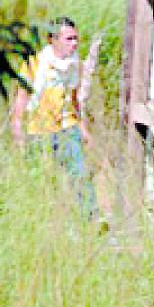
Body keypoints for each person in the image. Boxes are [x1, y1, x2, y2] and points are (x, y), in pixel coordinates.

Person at [10, 17, 98, 216]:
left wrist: (83, 129)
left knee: (80, 176)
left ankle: (91, 221)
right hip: (40, 132)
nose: (74, 44)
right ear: (53, 40)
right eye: (69, 39)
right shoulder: (35, 64)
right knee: (44, 183)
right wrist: (17, 131)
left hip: (68, 128)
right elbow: (21, 100)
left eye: (76, 38)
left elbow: (74, 101)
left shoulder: (75, 65)